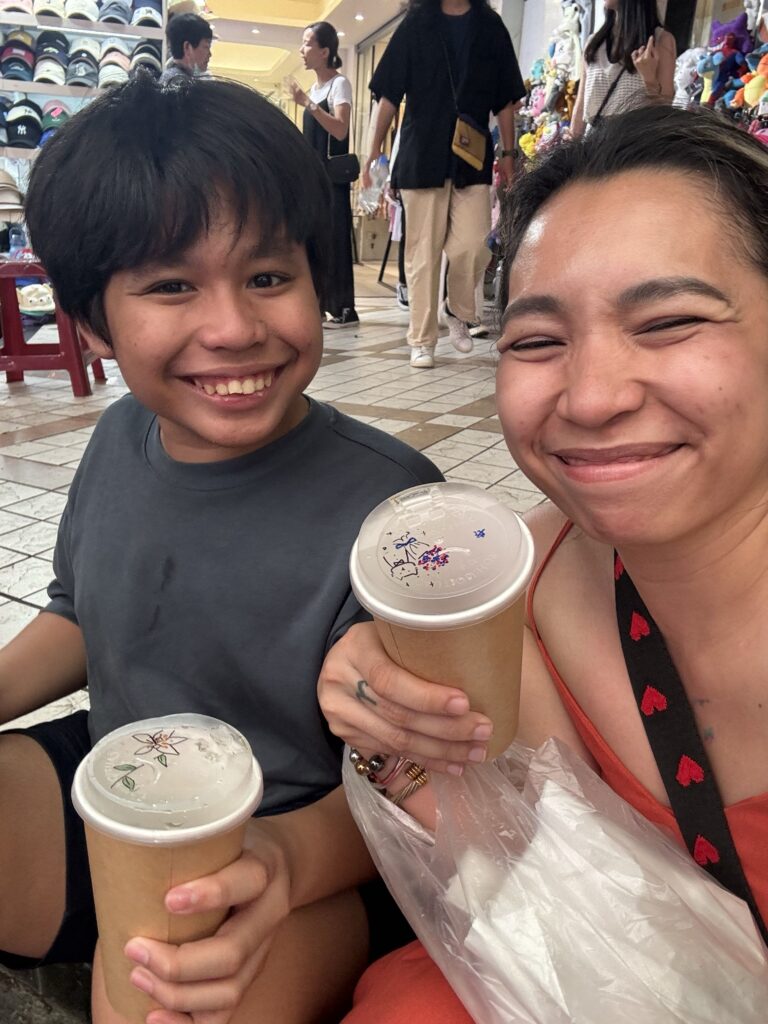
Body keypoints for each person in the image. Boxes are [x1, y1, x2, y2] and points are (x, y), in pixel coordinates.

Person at [0, 74, 443, 1024]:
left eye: (268, 276)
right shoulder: (120, 439)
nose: (236, 328)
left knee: (172, 1007)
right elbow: (78, 612)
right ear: (91, 324)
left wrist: (278, 865)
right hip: (122, 786)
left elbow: (414, 792)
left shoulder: (396, 510)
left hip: (303, 855)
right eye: (170, 286)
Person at [318, 104, 768, 1020]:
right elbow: (521, 869)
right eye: (535, 340)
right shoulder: (514, 586)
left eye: (670, 320)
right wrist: (398, 742)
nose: (594, 397)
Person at [364, 0, 526, 369]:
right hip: (422, 153)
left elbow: (504, 103)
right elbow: (388, 94)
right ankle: (422, 339)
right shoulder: (416, 23)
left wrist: (510, 154)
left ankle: (457, 306)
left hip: (472, 154)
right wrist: (372, 151)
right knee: (422, 253)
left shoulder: (490, 26)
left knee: (474, 243)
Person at [290, 22, 359, 330]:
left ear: (324, 51)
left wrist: (309, 104)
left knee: (336, 237)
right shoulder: (317, 89)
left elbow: (341, 129)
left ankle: (344, 306)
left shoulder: (338, 84)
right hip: (314, 176)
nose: (302, 50)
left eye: (307, 44)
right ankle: (320, 302)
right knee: (316, 238)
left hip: (332, 176)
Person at [570, 0, 675, 136]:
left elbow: (664, 114)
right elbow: (581, 103)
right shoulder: (594, 43)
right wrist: (570, 146)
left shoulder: (661, 41)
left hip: (632, 147)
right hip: (594, 147)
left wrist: (649, 79)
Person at [159, 11, 212, 84]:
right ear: (187, 47)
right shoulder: (179, 84)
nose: (209, 54)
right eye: (206, 47)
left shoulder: (174, 76)